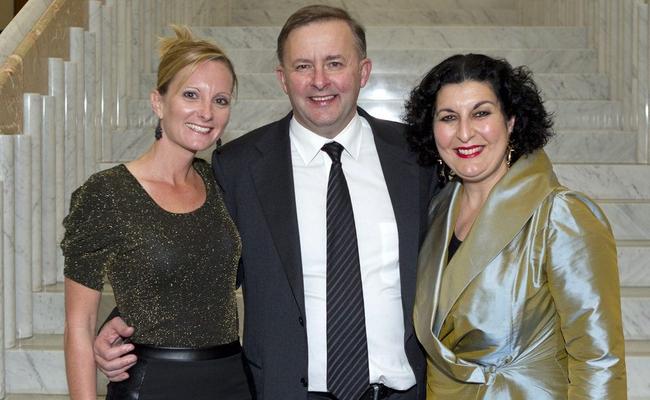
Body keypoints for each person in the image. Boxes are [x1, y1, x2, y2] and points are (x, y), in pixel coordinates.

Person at [93, 5, 436, 400]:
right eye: (303, 66)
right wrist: (123, 322)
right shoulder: (238, 167)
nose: (319, 81)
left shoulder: (417, 156)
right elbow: (205, 268)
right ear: (282, 79)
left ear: (363, 71)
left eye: (335, 63)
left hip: (405, 391)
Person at [404, 53, 627, 399]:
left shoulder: (560, 214)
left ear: (511, 121)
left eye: (481, 113)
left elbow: (598, 360)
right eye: (449, 117)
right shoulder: (435, 210)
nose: (464, 133)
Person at [62, 26, 251, 400]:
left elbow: (203, 281)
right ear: (158, 102)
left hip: (233, 380)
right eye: (191, 95)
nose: (206, 112)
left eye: (221, 100)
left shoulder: (222, 184)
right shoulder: (107, 193)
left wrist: (123, 314)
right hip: (153, 385)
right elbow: (78, 326)